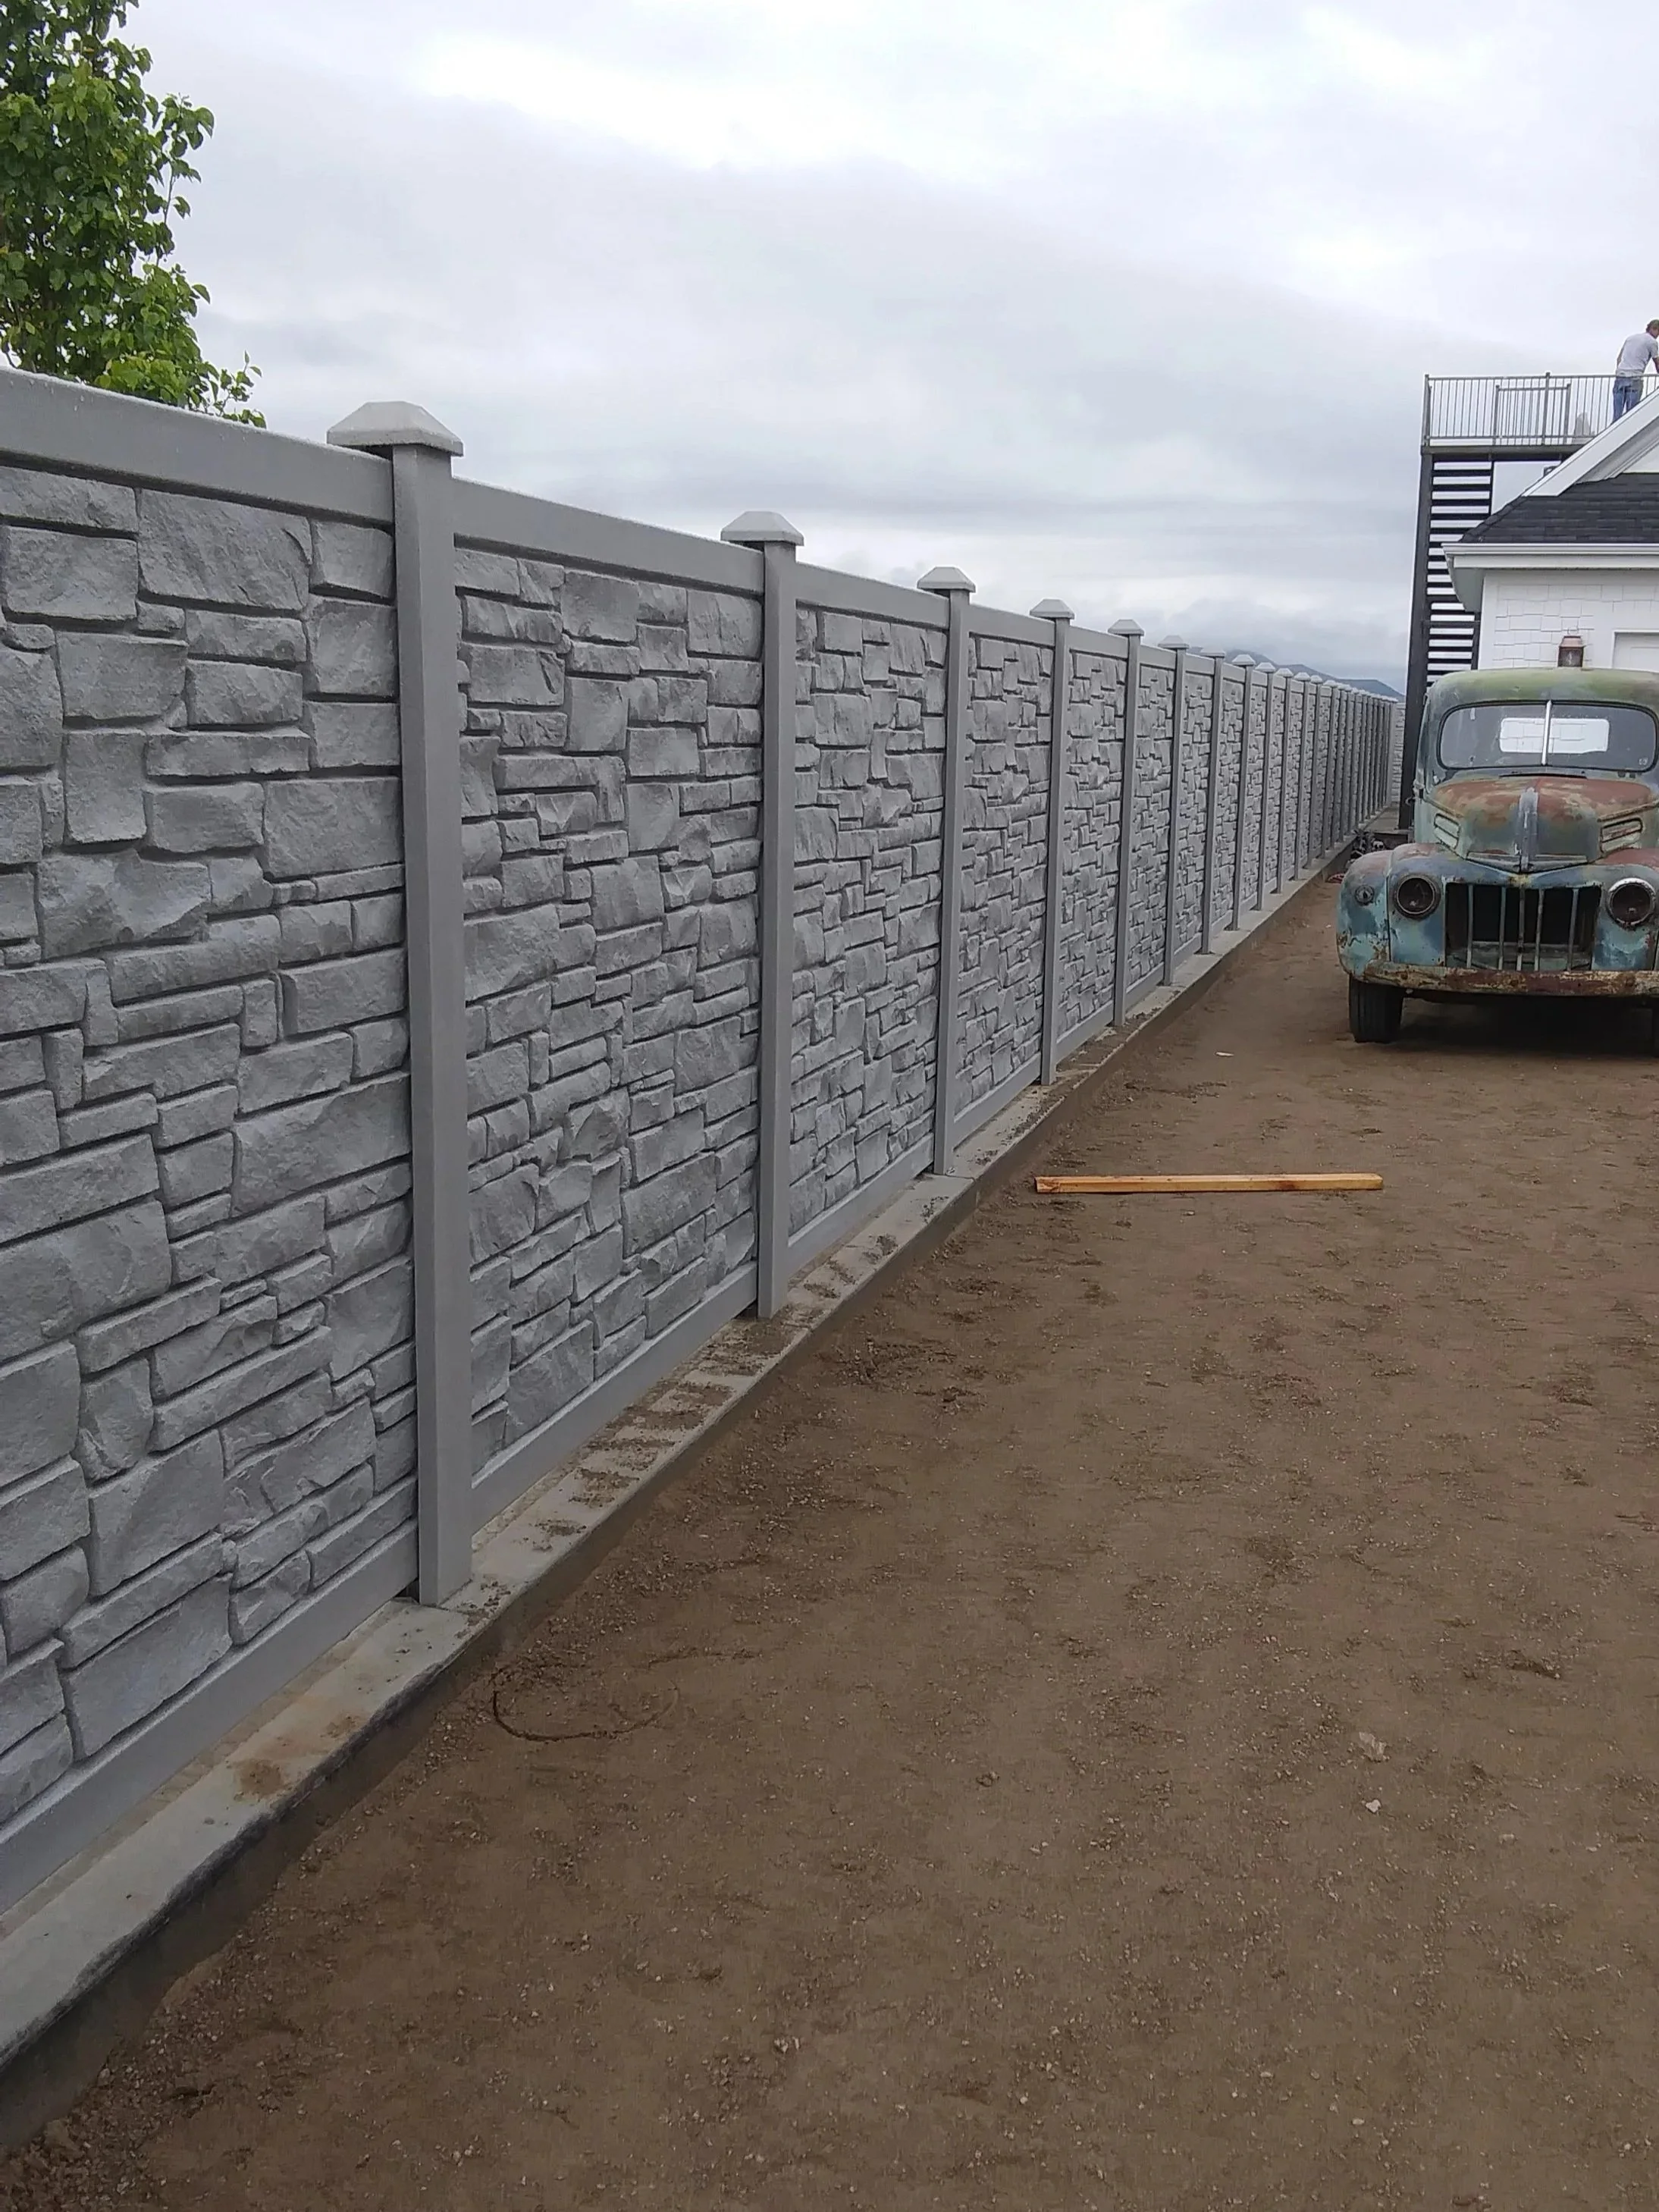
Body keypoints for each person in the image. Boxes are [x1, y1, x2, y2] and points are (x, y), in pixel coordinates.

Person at [1613, 323, 1659, 419]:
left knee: (1617, 415)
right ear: (1654, 329)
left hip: (1620, 377)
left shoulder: (1630, 338)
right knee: (1631, 415)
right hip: (1635, 378)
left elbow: (1619, 359)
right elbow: (1657, 362)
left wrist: (1619, 372)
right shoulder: (1652, 342)